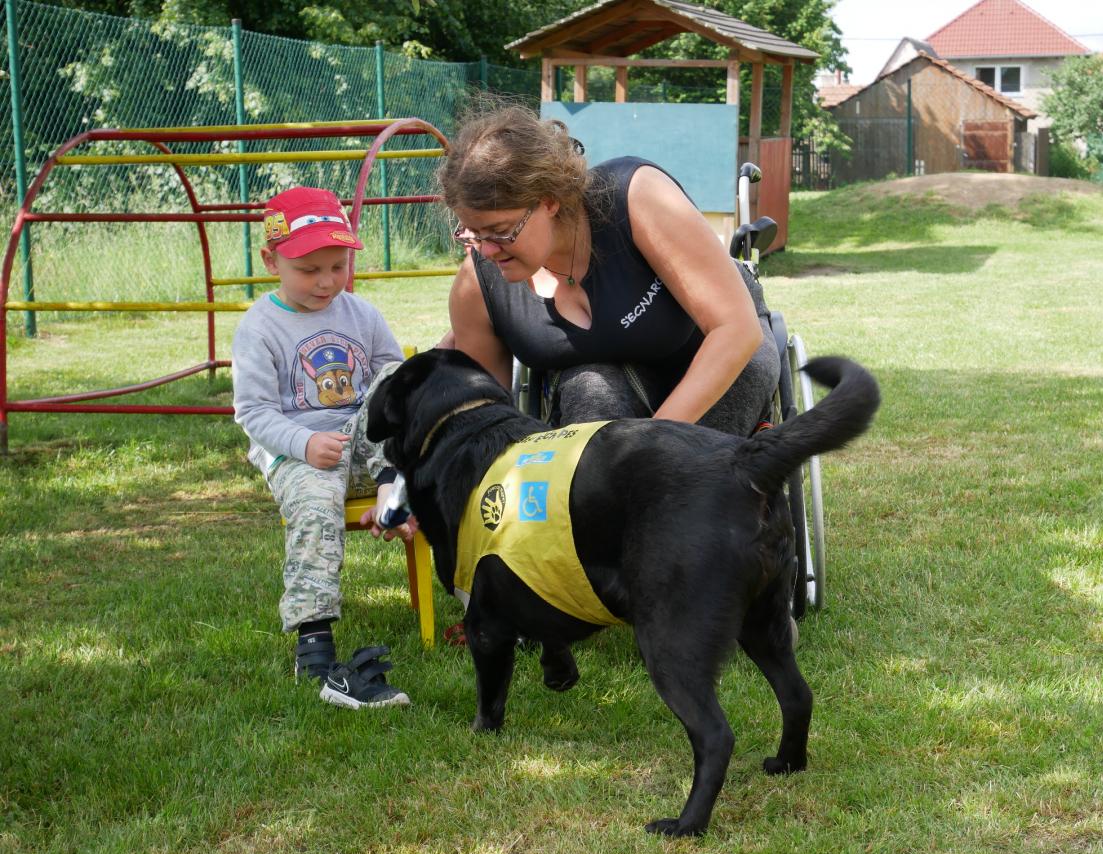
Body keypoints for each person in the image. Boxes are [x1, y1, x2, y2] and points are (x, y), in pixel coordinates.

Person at [437, 103, 780, 436]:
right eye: (472, 233)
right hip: (612, 383)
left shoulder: (637, 196)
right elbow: (487, 426)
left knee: (720, 423)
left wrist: (652, 447)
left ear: (548, 201)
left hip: (721, 352)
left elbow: (736, 330)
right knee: (589, 393)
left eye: (500, 231)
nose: (487, 250)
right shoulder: (476, 287)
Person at [231, 185, 413, 709]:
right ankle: (314, 639)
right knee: (315, 504)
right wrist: (305, 443)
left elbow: (393, 388)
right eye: (309, 270)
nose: (327, 281)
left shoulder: (362, 315)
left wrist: (384, 459)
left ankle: (394, 491)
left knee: (400, 380)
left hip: (364, 444)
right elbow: (253, 413)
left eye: (338, 266)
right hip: (298, 454)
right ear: (272, 261)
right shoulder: (259, 328)